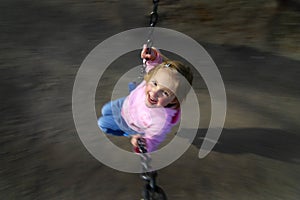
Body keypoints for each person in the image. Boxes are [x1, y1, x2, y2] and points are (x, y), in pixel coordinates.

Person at [98, 45, 193, 152]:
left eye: (165, 92)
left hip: (130, 123)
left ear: (174, 99)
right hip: (127, 102)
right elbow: (154, 65)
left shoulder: (160, 120)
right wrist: (152, 56)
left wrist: (143, 144)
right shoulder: (156, 74)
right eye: (155, 83)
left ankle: (129, 133)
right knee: (105, 109)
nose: (155, 92)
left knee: (102, 123)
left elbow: (154, 140)